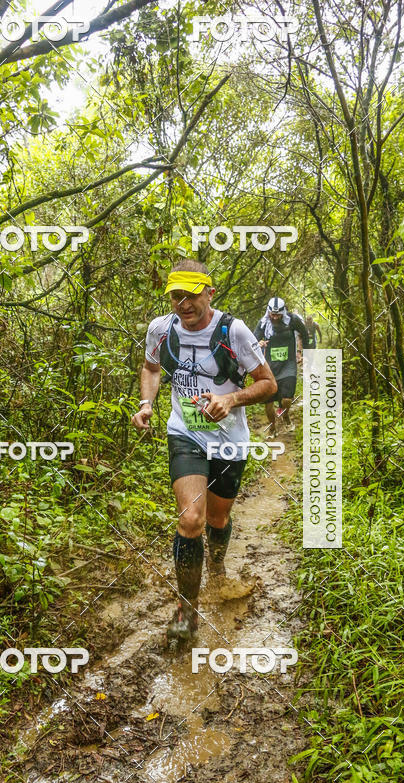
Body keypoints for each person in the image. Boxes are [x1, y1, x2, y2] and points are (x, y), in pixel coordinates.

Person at [131, 259, 276, 642]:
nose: (184, 304)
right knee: (191, 519)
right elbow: (150, 368)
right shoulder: (161, 330)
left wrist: (232, 400)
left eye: (191, 295)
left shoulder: (235, 331)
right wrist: (146, 404)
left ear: (209, 293)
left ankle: (217, 563)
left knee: (217, 519)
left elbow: (268, 384)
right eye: (176, 296)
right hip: (186, 434)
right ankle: (186, 610)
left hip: (230, 440)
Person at [254, 296, 311, 436]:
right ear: (268, 312)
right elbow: (252, 340)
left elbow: (304, 334)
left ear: (283, 312)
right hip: (270, 366)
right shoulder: (263, 323)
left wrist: (304, 353)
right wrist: (259, 344)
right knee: (269, 402)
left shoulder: (292, 320)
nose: (274, 317)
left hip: (288, 364)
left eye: (277, 315)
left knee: (286, 398)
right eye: (272, 314)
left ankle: (285, 417)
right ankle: (272, 427)